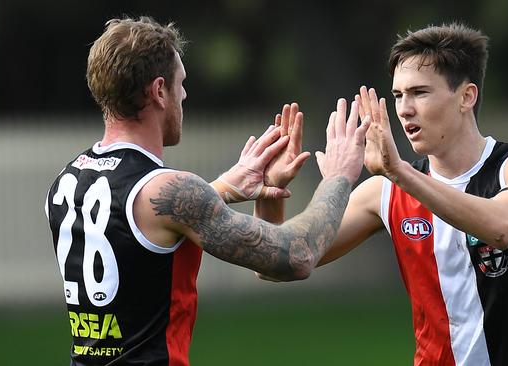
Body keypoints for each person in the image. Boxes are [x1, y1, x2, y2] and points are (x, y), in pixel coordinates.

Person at [44, 16, 369, 366]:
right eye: (180, 83)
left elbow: (136, 229)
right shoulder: (169, 191)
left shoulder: (68, 180)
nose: (183, 94)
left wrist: (232, 186)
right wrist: (339, 177)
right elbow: (296, 256)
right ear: (158, 91)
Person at [259, 23, 508, 365]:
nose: (404, 109)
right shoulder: (386, 191)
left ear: (467, 96)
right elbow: (280, 263)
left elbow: (504, 227)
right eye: (398, 96)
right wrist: (271, 191)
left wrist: (399, 172)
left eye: (419, 93)